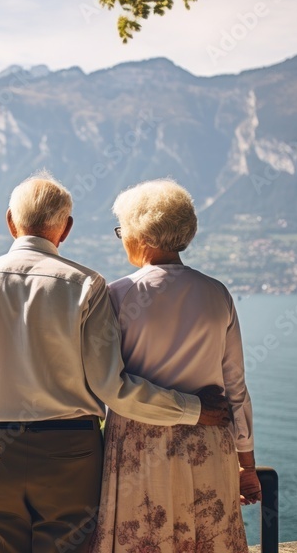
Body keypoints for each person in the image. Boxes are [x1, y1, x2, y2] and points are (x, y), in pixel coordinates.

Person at [0, 171, 230, 553]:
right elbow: (112, 387)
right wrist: (193, 409)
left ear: (10, 221)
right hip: (70, 456)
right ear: (66, 228)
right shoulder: (87, 286)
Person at [89, 179, 260, 553]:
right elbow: (236, 388)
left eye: (122, 230)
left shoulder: (118, 296)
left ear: (140, 232)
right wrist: (246, 465)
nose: (122, 239)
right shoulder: (217, 293)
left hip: (140, 448)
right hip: (211, 444)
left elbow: (108, 384)